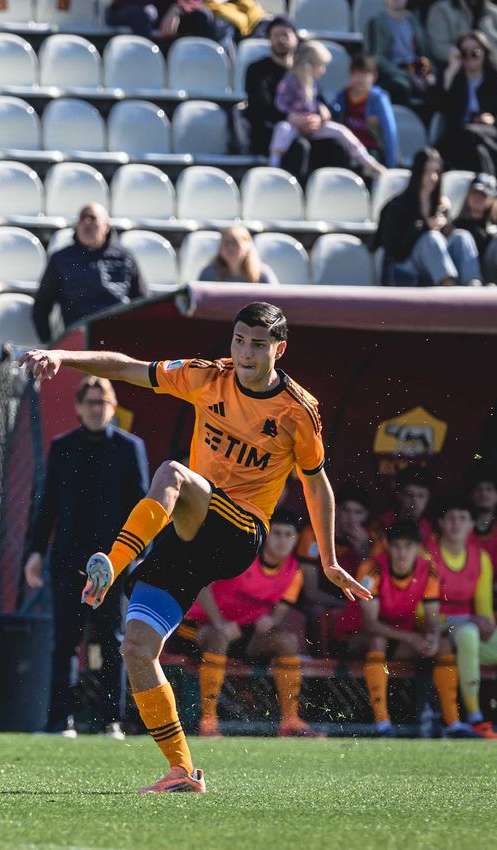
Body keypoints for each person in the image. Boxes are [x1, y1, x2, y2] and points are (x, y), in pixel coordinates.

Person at [19, 301, 371, 793]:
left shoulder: (297, 409)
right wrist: (63, 356)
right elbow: (129, 368)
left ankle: (113, 564)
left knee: (172, 473)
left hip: (239, 530)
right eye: (239, 341)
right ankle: (182, 770)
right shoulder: (207, 376)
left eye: (258, 345)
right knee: (137, 648)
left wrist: (329, 560)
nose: (245, 353)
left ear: (280, 349)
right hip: (191, 531)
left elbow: (316, 483)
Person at [23, 376, 148, 739]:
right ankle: (60, 722)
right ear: (79, 407)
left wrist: (140, 556)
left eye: (102, 402)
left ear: (113, 407)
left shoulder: (130, 447)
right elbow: (47, 503)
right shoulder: (63, 446)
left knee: (113, 640)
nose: (96, 409)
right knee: (65, 642)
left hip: (115, 561)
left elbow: (143, 506)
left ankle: (110, 721)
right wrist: (35, 552)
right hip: (68, 559)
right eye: (90, 402)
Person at [180, 511, 322, 738]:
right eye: (277, 533)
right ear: (266, 535)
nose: (282, 540)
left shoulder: (295, 570)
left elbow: (282, 606)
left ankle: (290, 721)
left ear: (296, 539)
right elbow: (202, 584)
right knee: (218, 637)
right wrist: (219, 622)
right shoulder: (242, 556)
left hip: (241, 633)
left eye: (288, 535)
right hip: (197, 626)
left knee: (287, 641)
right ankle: (208, 722)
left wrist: (271, 620)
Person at [332, 521, 456, 738]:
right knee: (378, 641)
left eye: (408, 546)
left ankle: (454, 723)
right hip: (356, 637)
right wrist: (412, 638)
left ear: (417, 548)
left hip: (398, 641)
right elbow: (370, 624)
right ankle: (382, 723)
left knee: (443, 645)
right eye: (397, 546)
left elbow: (432, 617)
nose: (402, 552)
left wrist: (432, 637)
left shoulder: (429, 570)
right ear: (388, 546)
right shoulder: (371, 568)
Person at [427, 498, 497, 737]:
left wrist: (486, 624)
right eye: (450, 518)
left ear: (471, 525)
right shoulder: (429, 556)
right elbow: (421, 611)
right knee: (468, 634)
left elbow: (483, 608)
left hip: (469, 627)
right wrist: (465, 623)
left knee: (473, 634)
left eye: (462, 518)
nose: (456, 524)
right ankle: (476, 716)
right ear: (441, 523)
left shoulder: (481, 557)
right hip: (438, 626)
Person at [269, 41, 387, 178]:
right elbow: (280, 104)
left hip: (313, 127)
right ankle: (273, 166)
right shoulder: (289, 81)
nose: (323, 70)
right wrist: (294, 117)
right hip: (294, 126)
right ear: (310, 65)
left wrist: (320, 113)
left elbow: (317, 103)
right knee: (282, 128)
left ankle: (367, 162)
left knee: (341, 131)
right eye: (321, 66)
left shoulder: (313, 84)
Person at [31, 203, 146, 343]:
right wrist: (48, 343)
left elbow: (142, 301)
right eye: (82, 217)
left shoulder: (125, 257)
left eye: (92, 217)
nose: (86, 222)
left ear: (106, 227)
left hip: (118, 334)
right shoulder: (61, 259)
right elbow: (42, 305)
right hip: (80, 338)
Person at [374, 147, 483, 287]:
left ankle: (473, 285)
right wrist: (425, 227)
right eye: (428, 171)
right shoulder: (397, 206)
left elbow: (445, 243)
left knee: (462, 236)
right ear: (418, 172)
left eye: (437, 172)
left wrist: (446, 226)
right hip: (405, 266)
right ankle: (449, 287)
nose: (433, 177)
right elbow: (395, 250)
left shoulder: (439, 205)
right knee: (431, 238)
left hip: (434, 265)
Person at [296, 485, 374, 629]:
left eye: (358, 512)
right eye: (346, 510)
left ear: (366, 516)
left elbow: (368, 592)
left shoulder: (370, 539)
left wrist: (364, 552)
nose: (351, 518)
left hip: (351, 603)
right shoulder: (314, 534)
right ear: (335, 510)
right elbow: (310, 592)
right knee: (317, 611)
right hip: (318, 602)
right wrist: (344, 606)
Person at [439, 31, 497, 174]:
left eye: (475, 52)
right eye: (464, 53)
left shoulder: (494, 80)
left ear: (485, 53)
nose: (470, 57)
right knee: (475, 147)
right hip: (460, 134)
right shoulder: (455, 80)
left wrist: (492, 119)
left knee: (471, 135)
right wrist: (450, 72)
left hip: (489, 132)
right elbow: (438, 107)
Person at [332, 55, 400, 169]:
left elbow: (389, 131)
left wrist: (391, 165)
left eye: (364, 74)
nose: (359, 79)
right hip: (349, 147)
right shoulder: (342, 96)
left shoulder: (378, 99)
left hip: (371, 150)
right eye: (356, 74)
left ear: (374, 77)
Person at [365, 0, 436, 108]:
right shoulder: (377, 22)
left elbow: (423, 54)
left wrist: (427, 73)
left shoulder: (413, 21)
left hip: (415, 68)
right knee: (400, 87)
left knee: (439, 82)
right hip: (392, 71)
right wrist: (409, 77)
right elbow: (377, 58)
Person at [105, 1, 234, 49]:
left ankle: (203, 68)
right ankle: (142, 66)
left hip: (168, 8)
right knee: (146, 14)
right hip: (131, 8)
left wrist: (178, 8)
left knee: (202, 16)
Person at [371, 466, 439, 555]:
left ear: (428, 497)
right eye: (409, 495)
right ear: (399, 495)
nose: (415, 502)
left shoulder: (431, 532)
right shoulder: (380, 526)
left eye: (421, 496)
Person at [450, 172, 497, 283]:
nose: (477, 198)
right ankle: (473, 283)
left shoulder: (493, 227)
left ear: (491, 199)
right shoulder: (456, 225)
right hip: (462, 278)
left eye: (483, 195)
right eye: (474, 193)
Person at [426, 0, 497, 70]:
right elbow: (438, 46)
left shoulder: (493, 12)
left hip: (492, 69)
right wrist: (467, 55)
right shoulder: (441, 10)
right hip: (456, 71)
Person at [198, 226, 280, 284]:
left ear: (247, 247)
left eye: (235, 243)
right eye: (226, 243)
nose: (230, 247)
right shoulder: (209, 274)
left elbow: (276, 298)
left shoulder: (262, 275)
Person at [470, 464, 497, 560]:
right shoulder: (462, 526)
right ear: (472, 495)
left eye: (489, 489)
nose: (484, 493)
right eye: (479, 489)